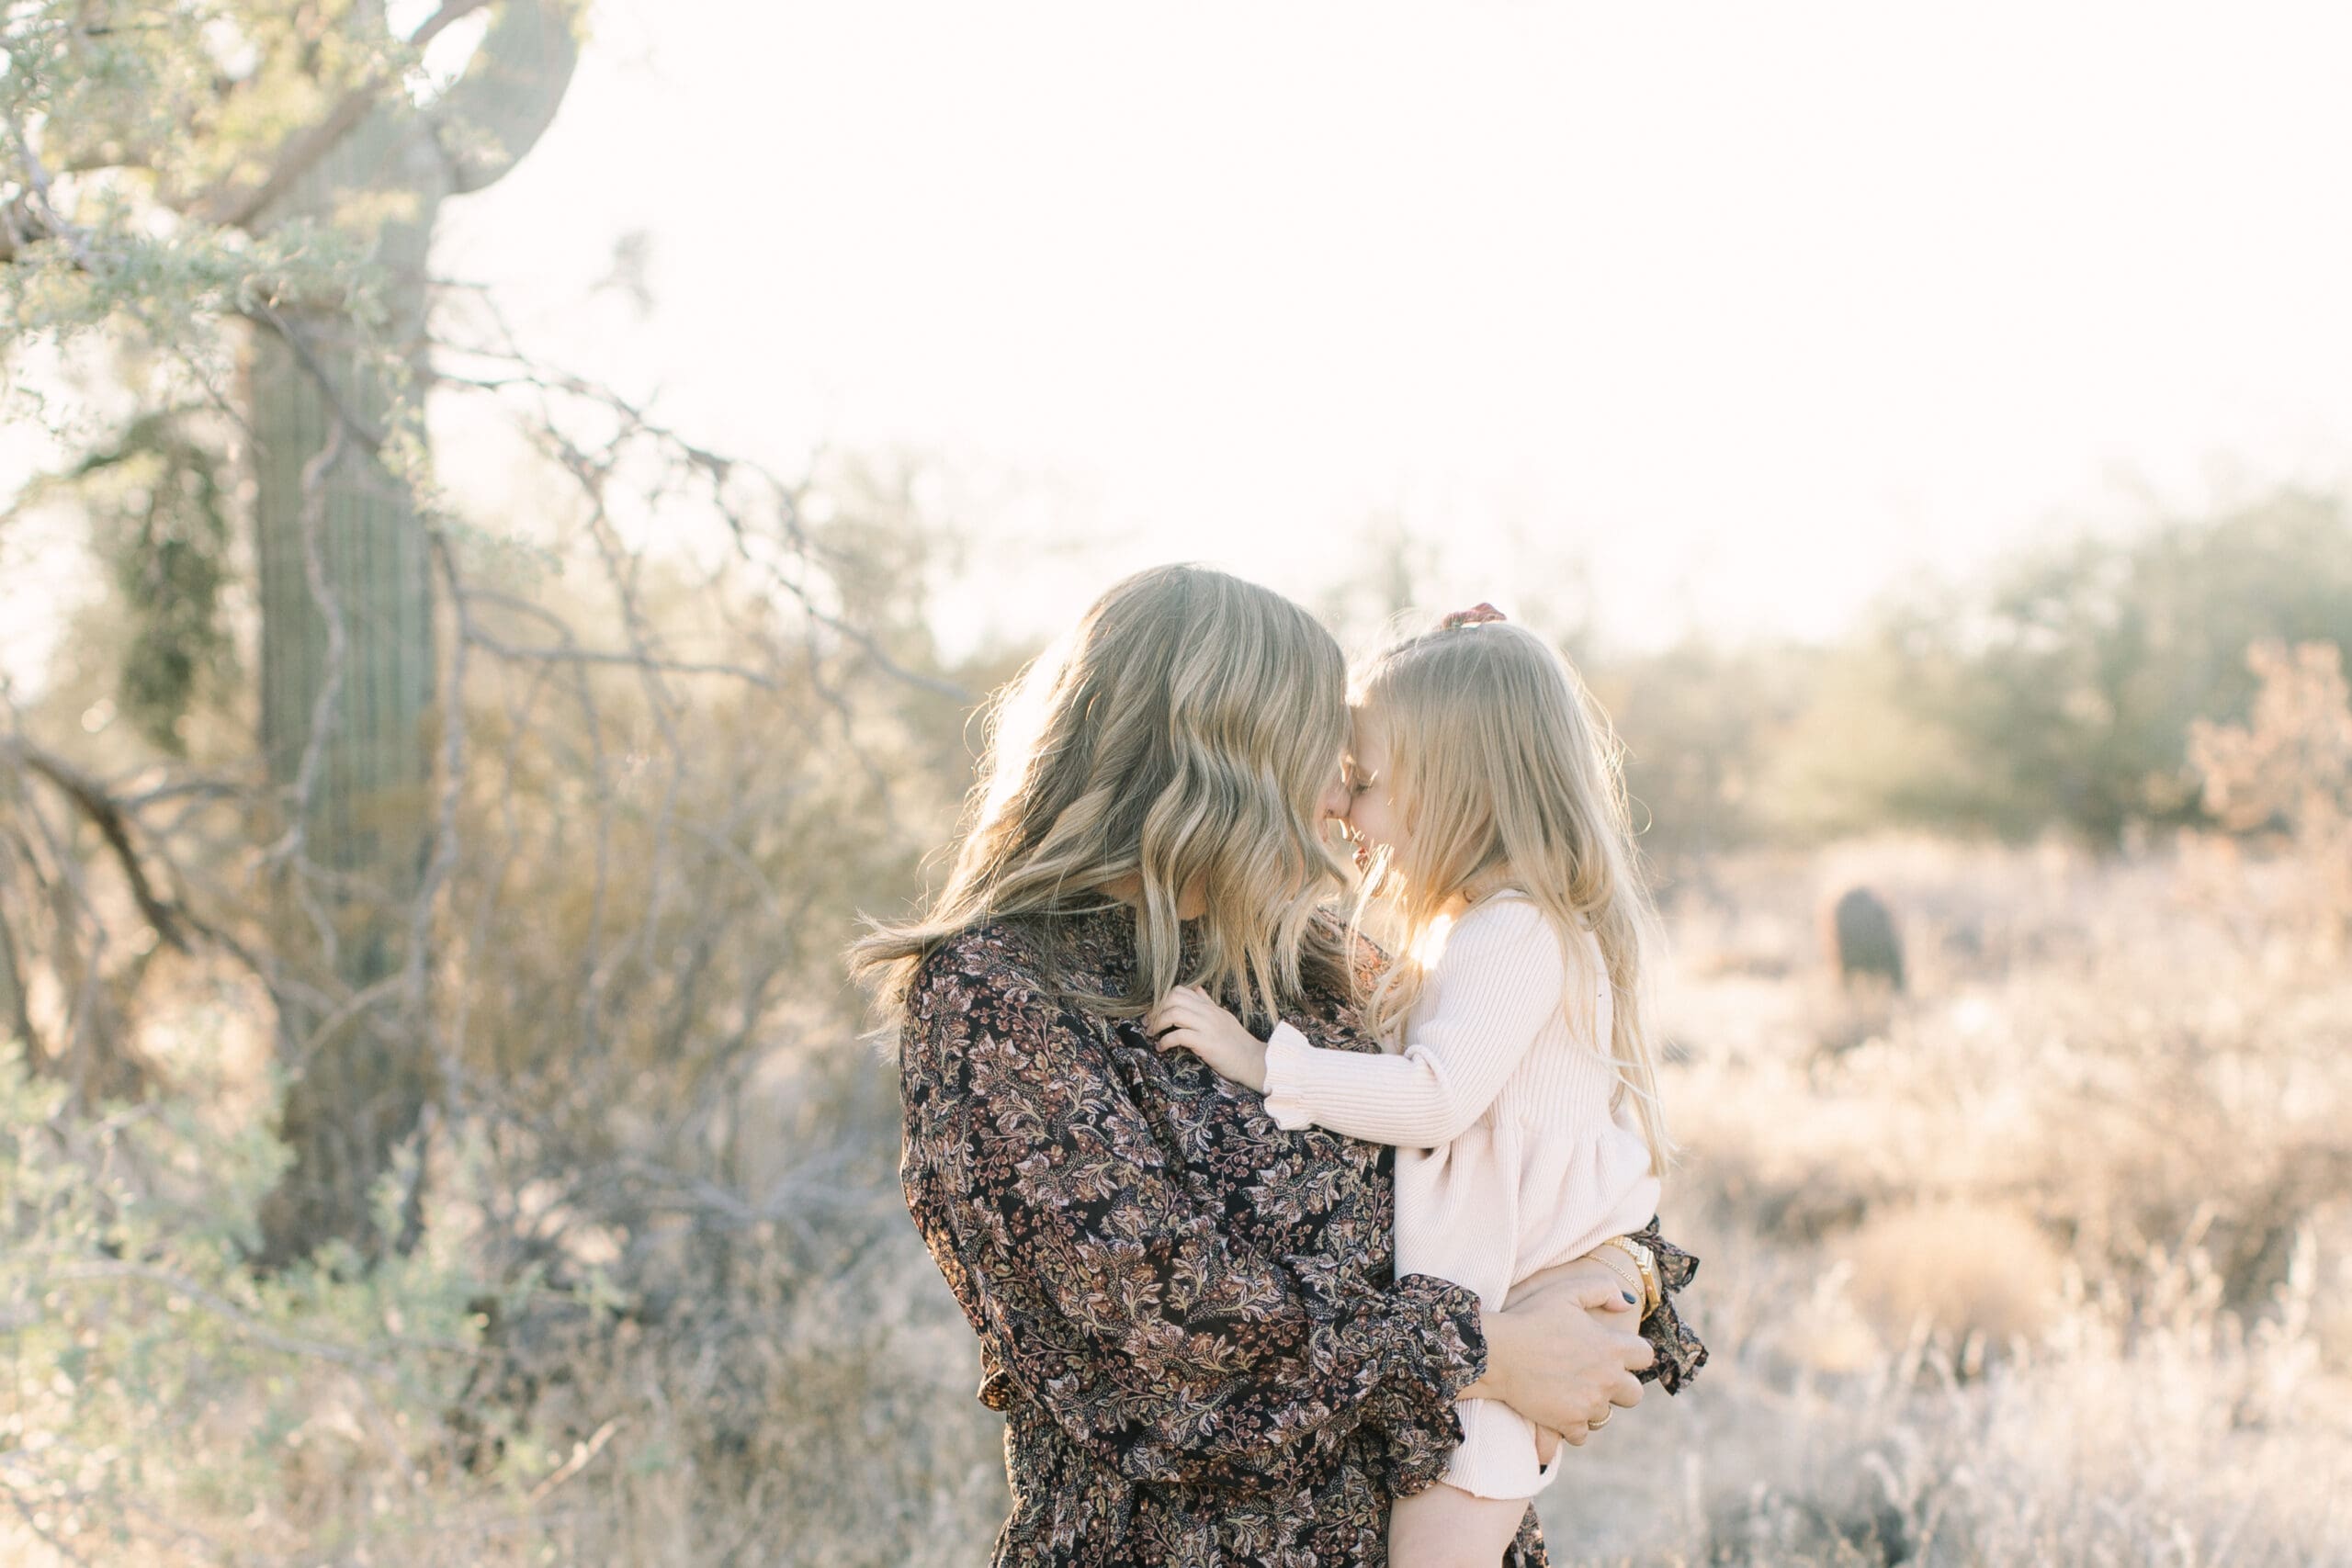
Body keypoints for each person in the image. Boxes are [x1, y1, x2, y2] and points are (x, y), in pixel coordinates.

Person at [852, 566, 1703, 1567]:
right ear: (1220, 759)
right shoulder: (1002, 994)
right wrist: (1493, 1353)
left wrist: (1613, 1278)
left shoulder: (1323, 966)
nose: (1345, 800)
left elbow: (1546, 1163)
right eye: (1329, 757)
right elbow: (1170, 1342)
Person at [1149, 604, 1698, 1568]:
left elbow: (1437, 1097)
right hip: (1492, 1321)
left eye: (1366, 782)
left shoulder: (1516, 934)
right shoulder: (1491, 930)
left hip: (1510, 1317)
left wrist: (1258, 1060)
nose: (1348, 812)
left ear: (1457, 787)